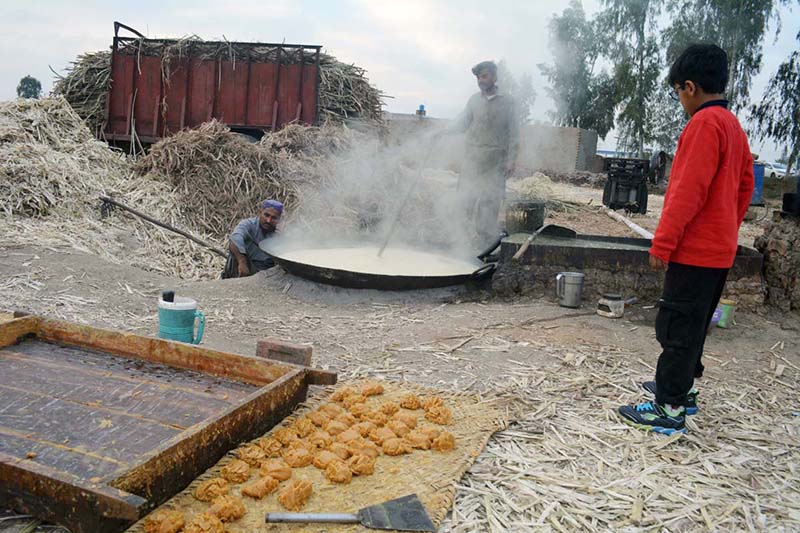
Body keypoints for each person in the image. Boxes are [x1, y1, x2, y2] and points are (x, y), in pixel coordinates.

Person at [617, 44, 754, 435]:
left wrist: (663, 243)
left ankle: (669, 408)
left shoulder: (703, 125)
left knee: (675, 328)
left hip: (693, 251)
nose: (680, 100)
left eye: (678, 91)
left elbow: (686, 192)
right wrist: (726, 225)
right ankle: (684, 389)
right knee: (695, 326)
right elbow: (745, 187)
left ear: (689, 87)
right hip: (718, 251)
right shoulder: (733, 126)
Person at [446, 60, 520, 247]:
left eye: (484, 76)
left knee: (489, 204)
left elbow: (514, 134)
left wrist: (511, 160)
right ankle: (459, 244)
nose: (480, 80)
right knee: (465, 201)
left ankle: (484, 246)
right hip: (472, 160)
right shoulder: (474, 101)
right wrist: (441, 132)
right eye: (478, 77)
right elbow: (462, 123)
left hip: (495, 163)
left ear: (494, 77)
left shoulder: (508, 102)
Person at [223, 199, 283, 278]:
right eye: (266, 215)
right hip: (244, 266)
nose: (268, 220)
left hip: (263, 272)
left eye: (274, 218)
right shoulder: (248, 225)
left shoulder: (278, 235)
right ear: (260, 212)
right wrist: (242, 262)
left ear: (279, 219)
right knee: (235, 252)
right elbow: (235, 238)